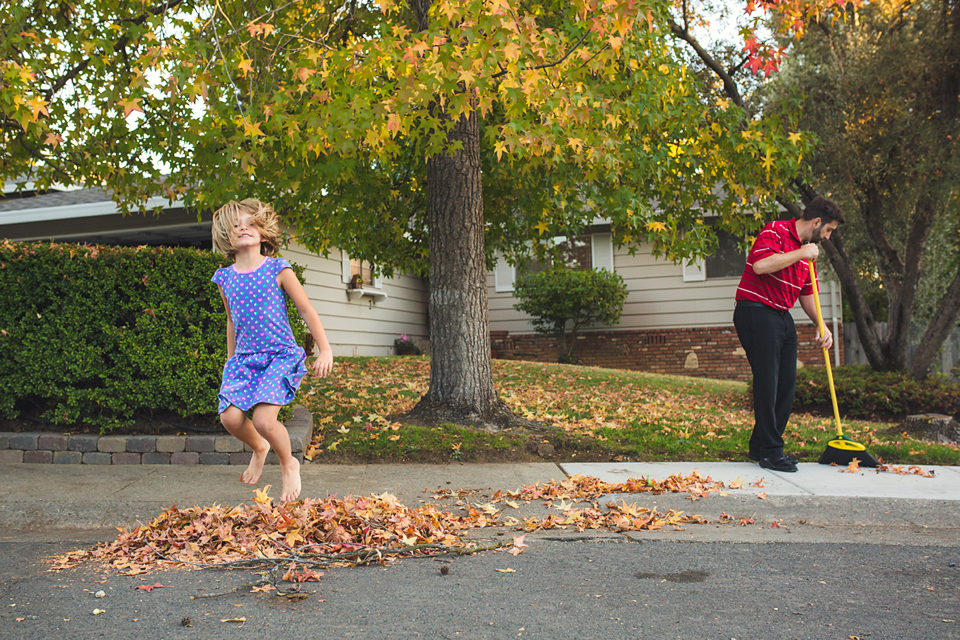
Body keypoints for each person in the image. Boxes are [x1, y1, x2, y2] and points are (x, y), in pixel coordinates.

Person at [211, 199, 334, 502]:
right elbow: (231, 320)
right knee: (229, 418)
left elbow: (306, 311)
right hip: (244, 359)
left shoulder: (279, 269)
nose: (243, 228)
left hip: (279, 355)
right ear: (226, 235)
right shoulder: (224, 278)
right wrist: (231, 361)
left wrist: (325, 349)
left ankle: (288, 462)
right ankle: (259, 447)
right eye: (236, 224)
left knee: (266, 420)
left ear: (263, 231)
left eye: (250, 222)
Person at [733, 196, 844, 472]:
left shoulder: (809, 252)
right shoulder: (775, 231)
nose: (828, 237)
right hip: (756, 310)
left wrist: (823, 325)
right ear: (817, 222)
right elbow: (760, 265)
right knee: (768, 382)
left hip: (782, 315)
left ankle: (760, 446)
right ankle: (772, 452)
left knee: (786, 384)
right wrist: (801, 254)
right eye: (828, 230)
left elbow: (808, 294)